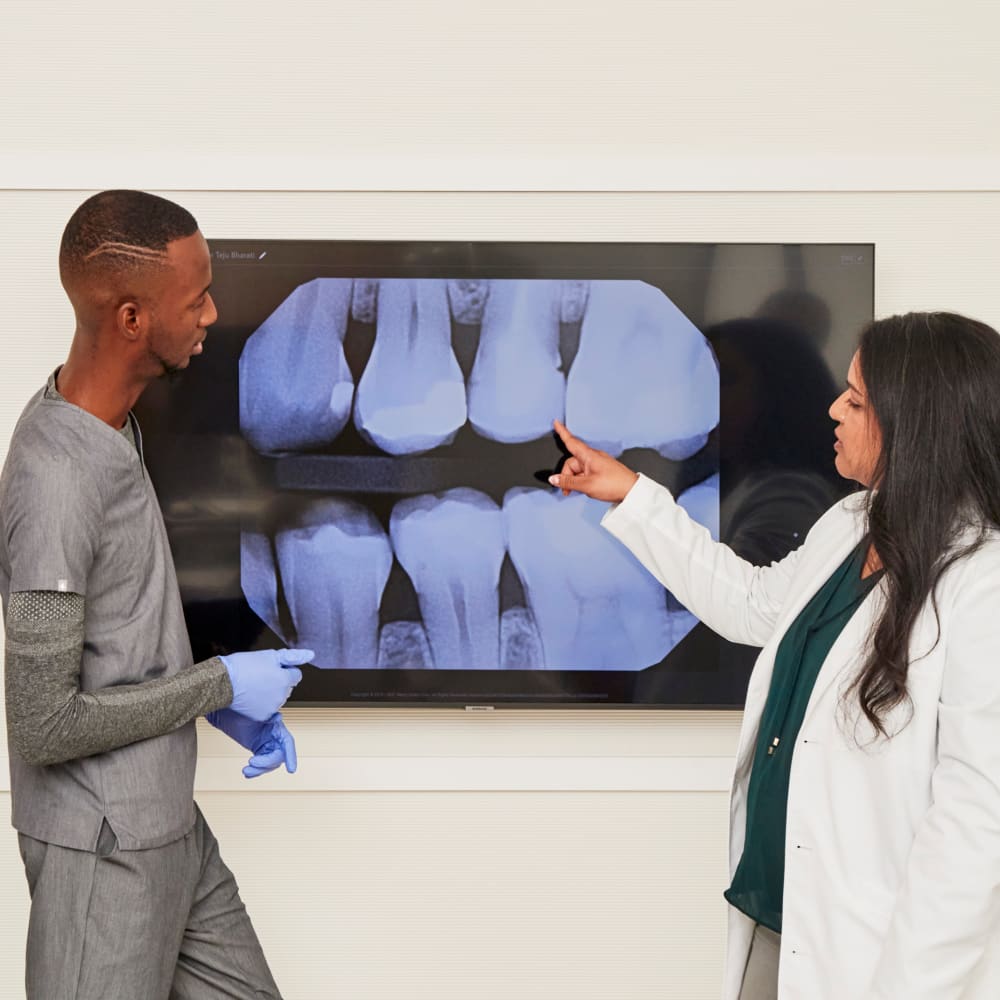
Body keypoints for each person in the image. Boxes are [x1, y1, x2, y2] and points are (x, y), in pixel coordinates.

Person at [548, 311, 1000, 1000]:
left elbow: (978, 825)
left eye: (856, 399)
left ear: (916, 423)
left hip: (881, 954)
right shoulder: (852, 524)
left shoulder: (981, 582)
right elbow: (755, 604)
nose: (833, 409)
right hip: (780, 917)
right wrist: (633, 495)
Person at [0, 190, 314, 999]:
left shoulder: (114, 426)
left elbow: (120, 638)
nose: (212, 313)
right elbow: (43, 722)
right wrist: (219, 681)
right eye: (196, 297)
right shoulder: (55, 480)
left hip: (166, 824)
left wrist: (218, 709)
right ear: (132, 318)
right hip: (102, 852)